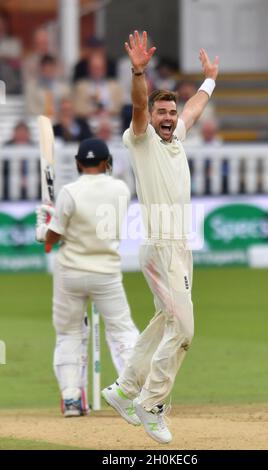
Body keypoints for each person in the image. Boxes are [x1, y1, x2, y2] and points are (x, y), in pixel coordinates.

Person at [102, 31, 218, 444]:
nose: (168, 117)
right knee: (184, 329)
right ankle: (151, 403)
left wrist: (209, 80)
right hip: (159, 246)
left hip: (180, 248)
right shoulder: (141, 139)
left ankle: (124, 388)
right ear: (151, 118)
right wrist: (138, 71)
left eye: (170, 112)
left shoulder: (177, 138)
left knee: (166, 321)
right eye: (161, 112)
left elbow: (194, 108)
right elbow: (137, 104)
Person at [35, 138, 139, 417]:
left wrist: (43, 227)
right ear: (107, 162)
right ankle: (138, 394)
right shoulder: (121, 189)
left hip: (71, 272)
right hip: (106, 271)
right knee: (123, 332)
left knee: (69, 333)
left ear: (79, 163)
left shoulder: (70, 192)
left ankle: (71, 399)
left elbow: (54, 237)